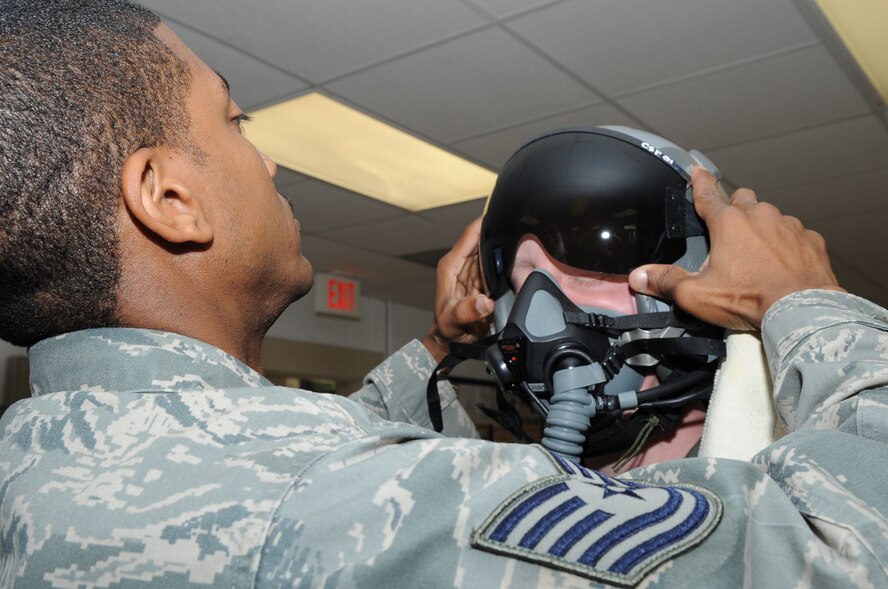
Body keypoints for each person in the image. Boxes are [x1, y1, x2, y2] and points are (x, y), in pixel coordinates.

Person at [1, 2, 886, 588]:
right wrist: (806, 303)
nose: (265, 158)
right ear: (168, 198)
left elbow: (290, 453)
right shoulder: (314, 493)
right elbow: (842, 556)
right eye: (234, 121)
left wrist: (435, 347)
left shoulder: (47, 459)